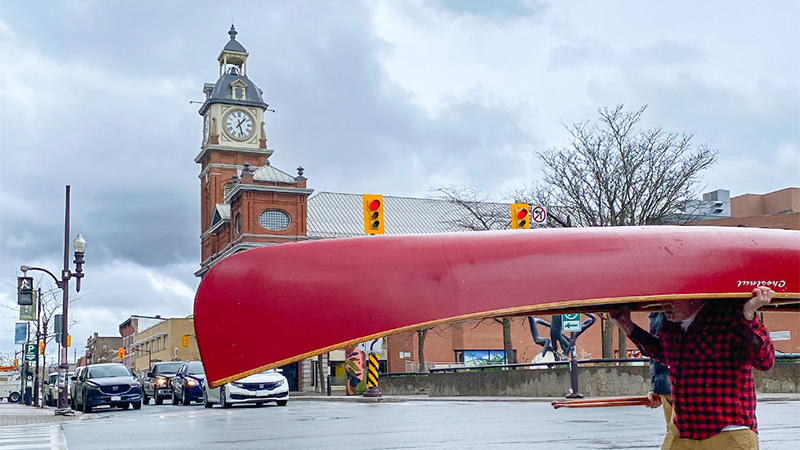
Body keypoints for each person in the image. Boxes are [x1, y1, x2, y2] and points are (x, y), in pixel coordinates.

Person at [611, 286, 775, 450]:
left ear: (697, 296)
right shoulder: (670, 324)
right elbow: (665, 353)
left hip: (728, 431)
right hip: (685, 430)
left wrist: (748, 315)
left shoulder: (729, 317)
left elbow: (765, 361)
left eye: (673, 297)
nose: (665, 303)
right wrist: (626, 325)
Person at [646, 312, 675, 450]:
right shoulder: (657, 313)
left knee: (676, 436)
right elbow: (656, 352)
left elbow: (656, 351)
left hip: (681, 385)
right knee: (676, 434)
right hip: (670, 386)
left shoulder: (657, 312)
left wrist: (656, 386)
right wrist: (656, 387)